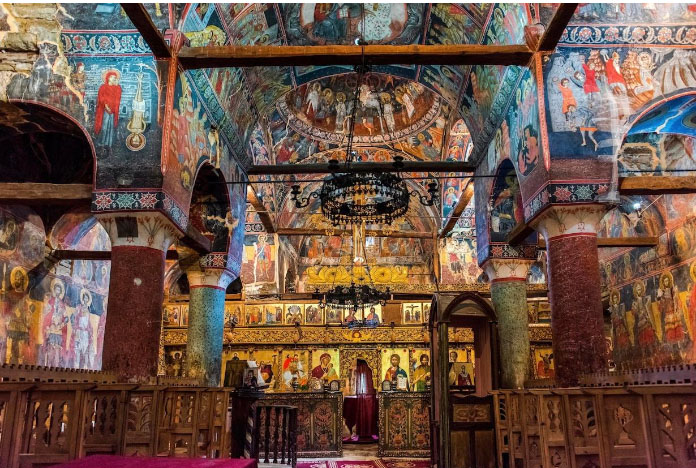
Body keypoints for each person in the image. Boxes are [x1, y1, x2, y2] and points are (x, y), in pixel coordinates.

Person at [94, 70, 122, 149]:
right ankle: (101, 142)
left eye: (115, 77)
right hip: (104, 110)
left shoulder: (117, 87)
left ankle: (108, 144)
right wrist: (106, 106)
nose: (114, 78)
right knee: (104, 126)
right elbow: (101, 97)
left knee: (111, 127)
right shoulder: (103, 87)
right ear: (108, 77)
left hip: (112, 111)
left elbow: (118, 98)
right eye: (112, 77)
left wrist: (117, 86)